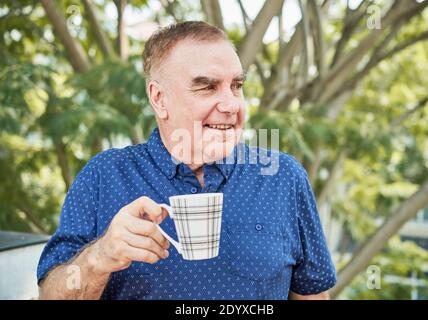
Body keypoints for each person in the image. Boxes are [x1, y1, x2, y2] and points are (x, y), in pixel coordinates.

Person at [37, 21, 336, 300]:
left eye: (236, 86)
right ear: (159, 98)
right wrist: (100, 257)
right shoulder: (104, 176)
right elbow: (49, 294)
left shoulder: (283, 176)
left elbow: (313, 293)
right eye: (207, 87)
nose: (231, 104)